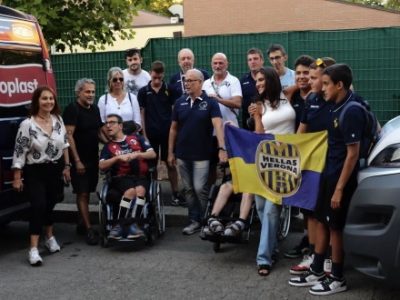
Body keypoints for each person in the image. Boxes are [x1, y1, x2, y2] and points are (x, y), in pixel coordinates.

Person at [289, 64, 366, 296]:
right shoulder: (334, 106)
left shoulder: (351, 110)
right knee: (322, 221)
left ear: (339, 85)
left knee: (335, 228)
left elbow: (352, 154)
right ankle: (317, 269)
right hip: (327, 174)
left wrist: (339, 189)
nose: (321, 88)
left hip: (339, 180)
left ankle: (338, 277)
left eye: (325, 84)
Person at [287, 58, 336, 274]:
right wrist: (293, 161)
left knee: (329, 217)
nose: (309, 80)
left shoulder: (338, 101)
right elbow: (301, 133)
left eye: (315, 77)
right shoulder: (311, 100)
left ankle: (330, 259)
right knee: (312, 214)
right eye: (310, 76)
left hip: (332, 168)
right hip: (311, 168)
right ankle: (314, 255)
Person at [12, 86, 71, 266]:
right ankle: (33, 249)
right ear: (37, 101)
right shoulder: (27, 124)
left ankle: (50, 236)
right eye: (44, 98)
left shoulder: (58, 119)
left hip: (55, 169)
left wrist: (67, 166)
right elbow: (20, 151)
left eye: (51, 99)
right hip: (35, 170)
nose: (48, 102)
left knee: (52, 202)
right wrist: (17, 176)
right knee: (38, 205)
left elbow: (65, 144)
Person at [168, 69, 227, 235]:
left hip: (202, 154)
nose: (187, 84)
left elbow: (218, 125)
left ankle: (205, 219)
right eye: (185, 80)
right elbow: (173, 129)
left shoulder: (210, 103)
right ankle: (194, 220)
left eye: (191, 81)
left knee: (200, 187)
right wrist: (170, 152)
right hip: (182, 154)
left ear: (201, 82)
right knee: (187, 189)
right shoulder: (179, 102)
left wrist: (222, 148)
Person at [248, 67, 296, 276]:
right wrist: (258, 116)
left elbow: (309, 85)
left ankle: (263, 258)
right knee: (261, 208)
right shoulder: (258, 104)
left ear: (271, 80)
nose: (258, 83)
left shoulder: (288, 94)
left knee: (270, 210)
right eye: (256, 81)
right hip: (264, 162)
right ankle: (273, 246)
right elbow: (259, 134)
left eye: (261, 80)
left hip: (284, 164)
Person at [99, 114, 156, 240]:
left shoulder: (137, 138)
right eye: (107, 123)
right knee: (130, 191)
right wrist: (117, 158)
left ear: (120, 126)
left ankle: (130, 225)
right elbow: (102, 165)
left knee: (140, 190)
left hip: (140, 176)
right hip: (121, 177)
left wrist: (137, 155)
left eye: (112, 122)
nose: (108, 126)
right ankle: (123, 225)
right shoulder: (108, 146)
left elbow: (152, 154)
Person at [63, 78, 105, 245]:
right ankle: (88, 229)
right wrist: (77, 160)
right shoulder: (72, 109)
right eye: (87, 91)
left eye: (93, 92)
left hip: (93, 158)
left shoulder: (94, 109)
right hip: (79, 161)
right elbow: (68, 136)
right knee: (82, 193)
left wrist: (112, 145)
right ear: (78, 92)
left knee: (88, 190)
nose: (91, 95)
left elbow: (99, 131)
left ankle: (81, 223)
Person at [137, 61, 181, 206]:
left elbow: (175, 111)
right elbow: (142, 113)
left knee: (171, 163)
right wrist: (144, 134)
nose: (156, 81)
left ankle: (176, 193)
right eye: (154, 77)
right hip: (151, 134)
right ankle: (154, 193)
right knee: (152, 166)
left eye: (159, 78)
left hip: (168, 134)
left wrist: (174, 132)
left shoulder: (171, 89)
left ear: (163, 75)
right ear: (150, 73)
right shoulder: (143, 92)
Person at [98, 67, 141, 137]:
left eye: (121, 79)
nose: (118, 81)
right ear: (110, 81)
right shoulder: (103, 100)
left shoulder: (132, 98)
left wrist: (125, 138)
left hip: (130, 139)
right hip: (111, 140)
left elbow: (138, 123)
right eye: (115, 79)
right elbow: (101, 123)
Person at [202, 52, 243, 127]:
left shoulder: (234, 80)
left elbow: (238, 103)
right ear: (211, 64)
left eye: (221, 63)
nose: (217, 66)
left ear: (227, 64)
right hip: (211, 130)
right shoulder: (205, 84)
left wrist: (218, 100)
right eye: (215, 63)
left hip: (230, 128)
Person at [240, 48, 265, 130]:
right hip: (248, 126)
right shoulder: (243, 80)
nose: (252, 62)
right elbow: (240, 102)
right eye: (250, 60)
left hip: (267, 124)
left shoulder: (269, 77)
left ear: (262, 60)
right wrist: (248, 109)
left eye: (255, 59)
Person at [289, 55, 314, 131]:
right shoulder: (291, 96)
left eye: (306, 73)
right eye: (298, 73)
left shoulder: (322, 97)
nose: (301, 76)